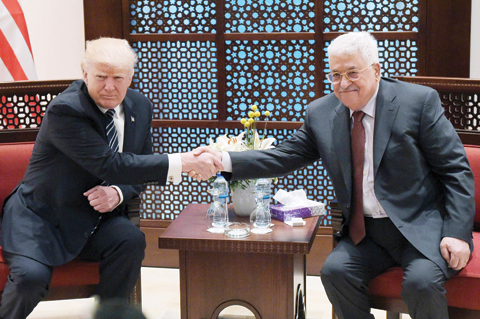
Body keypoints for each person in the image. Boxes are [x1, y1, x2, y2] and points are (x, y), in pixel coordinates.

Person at [195, 32, 475, 319]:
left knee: (421, 283)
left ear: (376, 70)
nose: (343, 84)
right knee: (334, 272)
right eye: (335, 75)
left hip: (420, 229)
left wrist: (457, 234)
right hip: (367, 235)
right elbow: (283, 156)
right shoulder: (321, 113)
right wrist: (222, 160)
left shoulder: (417, 102)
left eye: (352, 73)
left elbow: (455, 171)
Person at [0, 37, 222, 319]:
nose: (109, 86)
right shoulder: (65, 110)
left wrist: (118, 192)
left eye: (118, 77)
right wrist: (184, 161)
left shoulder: (139, 106)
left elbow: (138, 168)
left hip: (94, 218)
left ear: (130, 77)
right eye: (101, 77)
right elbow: (109, 163)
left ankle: (110, 314)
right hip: (42, 217)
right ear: (85, 74)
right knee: (31, 278)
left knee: (130, 240)